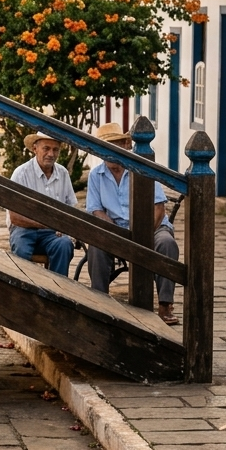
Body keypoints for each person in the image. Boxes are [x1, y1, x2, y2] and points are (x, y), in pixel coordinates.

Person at [84, 122, 180, 325]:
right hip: (116, 228)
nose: (110, 152)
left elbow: (158, 208)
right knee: (97, 246)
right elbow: (95, 209)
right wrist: (113, 228)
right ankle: (99, 302)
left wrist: (141, 233)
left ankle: (165, 305)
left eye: (115, 145)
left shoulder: (142, 168)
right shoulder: (96, 175)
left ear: (126, 145)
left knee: (166, 243)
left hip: (150, 227)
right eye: (105, 147)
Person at [8, 131, 77, 276]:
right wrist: (49, 223)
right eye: (46, 148)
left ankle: (57, 293)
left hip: (52, 234)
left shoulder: (62, 173)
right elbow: (15, 218)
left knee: (64, 245)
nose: (51, 154)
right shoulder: (21, 173)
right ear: (35, 149)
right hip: (23, 230)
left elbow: (71, 209)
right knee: (20, 251)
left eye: (55, 149)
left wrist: (64, 227)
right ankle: (22, 293)